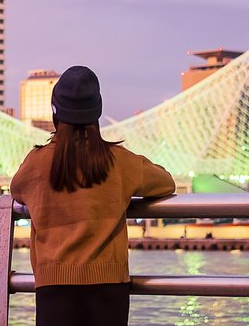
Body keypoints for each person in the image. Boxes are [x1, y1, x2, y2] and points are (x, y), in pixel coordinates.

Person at [10, 66, 175, 326]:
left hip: (54, 285)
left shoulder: (37, 163)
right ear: (97, 112)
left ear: (55, 113)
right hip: (109, 287)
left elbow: (16, 190)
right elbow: (166, 183)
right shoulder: (120, 161)